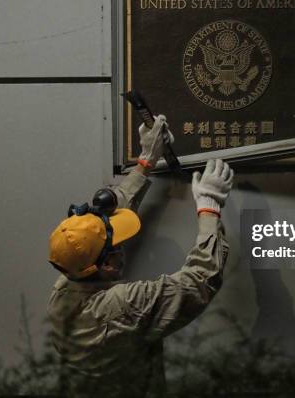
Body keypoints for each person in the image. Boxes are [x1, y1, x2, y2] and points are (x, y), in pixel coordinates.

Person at [47, 114, 234, 397]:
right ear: (108, 265)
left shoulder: (65, 286)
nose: (123, 243)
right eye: (117, 245)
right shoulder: (122, 305)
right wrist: (209, 207)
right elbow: (198, 281)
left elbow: (102, 221)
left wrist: (147, 160)